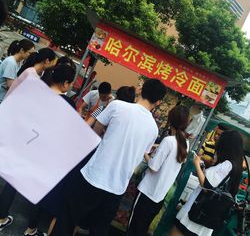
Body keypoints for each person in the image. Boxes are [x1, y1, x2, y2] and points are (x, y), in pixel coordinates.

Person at [50, 78, 166, 236]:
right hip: (116, 188)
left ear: (142, 90)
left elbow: (96, 131)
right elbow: (142, 153)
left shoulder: (117, 106)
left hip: (93, 177)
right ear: (158, 101)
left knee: (68, 220)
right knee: (99, 229)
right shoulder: (153, 129)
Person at [0, 47, 56, 236]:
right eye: (52, 63)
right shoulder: (32, 76)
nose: (51, 68)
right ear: (46, 61)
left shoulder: (29, 73)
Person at [127, 105, 190, 236]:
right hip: (159, 196)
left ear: (170, 120)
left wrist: (145, 152)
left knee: (134, 226)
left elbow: (153, 167)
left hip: (146, 192)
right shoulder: (185, 143)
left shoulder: (168, 141)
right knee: (142, 227)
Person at [170, 130, 243, 236]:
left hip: (198, 212)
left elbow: (206, 186)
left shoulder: (228, 164)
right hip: (208, 215)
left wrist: (197, 164)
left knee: (175, 232)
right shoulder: (237, 167)